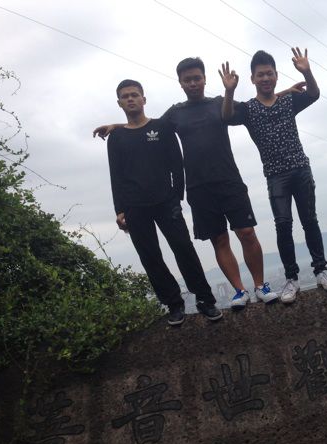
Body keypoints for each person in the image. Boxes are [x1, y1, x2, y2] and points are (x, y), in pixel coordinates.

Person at [95, 58, 280, 310]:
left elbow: (255, 106)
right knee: (219, 240)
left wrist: (281, 92)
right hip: (198, 187)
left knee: (247, 233)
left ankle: (260, 286)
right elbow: (145, 125)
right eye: (187, 80)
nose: (193, 83)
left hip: (229, 180)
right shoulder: (175, 113)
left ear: (204, 79)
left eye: (197, 78)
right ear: (180, 83)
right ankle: (239, 290)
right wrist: (118, 126)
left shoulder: (219, 103)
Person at [220, 47, 327, 304]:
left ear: (276, 76)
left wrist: (307, 72)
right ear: (252, 79)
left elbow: (314, 94)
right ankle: (291, 279)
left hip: (300, 168)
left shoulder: (288, 100)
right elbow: (226, 116)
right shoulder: (248, 109)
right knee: (283, 225)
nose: (265, 78)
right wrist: (229, 91)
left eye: (269, 74)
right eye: (260, 74)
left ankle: (321, 270)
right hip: (275, 176)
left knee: (310, 221)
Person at [106, 79, 222, 325]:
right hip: (134, 206)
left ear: (144, 99)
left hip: (166, 201)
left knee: (183, 249)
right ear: (119, 103)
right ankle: (174, 304)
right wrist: (120, 209)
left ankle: (205, 299)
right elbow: (116, 175)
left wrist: (176, 197)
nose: (130, 99)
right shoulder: (116, 137)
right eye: (125, 96)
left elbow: (177, 165)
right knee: (150, 257)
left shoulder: (161, 127)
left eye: (135, 94)